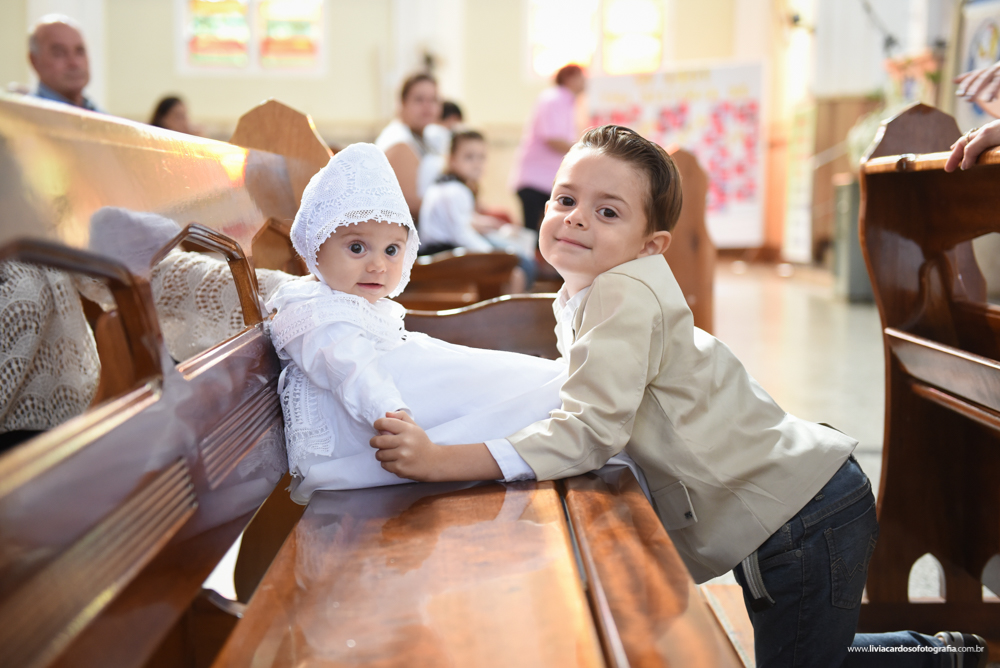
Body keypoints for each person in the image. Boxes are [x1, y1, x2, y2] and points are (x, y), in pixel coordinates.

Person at [371, 126, 989, 667]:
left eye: (608, 212)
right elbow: (586, 396)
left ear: (650, 246)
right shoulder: (589, 290)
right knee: (802, 653)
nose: (577, 217)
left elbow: (589, 431)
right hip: (789, 508)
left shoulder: (620, 294)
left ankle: (928, 655)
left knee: (797, 660)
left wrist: (446, 457)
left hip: (804, 519)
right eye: (566, 199)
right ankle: (936, 653)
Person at [265, 143, 634, 505]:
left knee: (491, 378)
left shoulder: (344, 302)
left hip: (404, 385)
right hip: (379, 417)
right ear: (314, 245)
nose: (378, 265)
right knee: (491, 393)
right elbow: (351, 370)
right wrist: (393, 416)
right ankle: (577, 400)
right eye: (357, 248)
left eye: (392, 250)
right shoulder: (312, 309)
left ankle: (571, 393)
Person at [419, 130, 537, 286]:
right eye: (469, 157)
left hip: (447, 252)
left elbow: (461, 221)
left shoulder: (446, 186)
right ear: (451, 159)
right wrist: (493, 255)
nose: (477, 163)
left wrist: (490, 225)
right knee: (520, 265)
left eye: (481, 157)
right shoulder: (455, 191)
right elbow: (461, 234)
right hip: (441, 256)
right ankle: (508, 309)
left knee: (517, 257)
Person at [509, 64, 585, 233]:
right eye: (582, 77)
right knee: (535, 233)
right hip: (535, 180)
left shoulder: (567, 102)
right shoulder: (554, 98)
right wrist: (584, 151)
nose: (585, 82)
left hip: (544, 181)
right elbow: (552, 138)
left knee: (546, 233)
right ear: (569, 78)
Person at [375, 73, 444, 220]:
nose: (427, 106)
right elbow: (407, 204)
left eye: (433, 100)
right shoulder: (399, 142)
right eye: (419, 100)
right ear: (402, 103)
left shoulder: (426, 136)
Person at [28, 14, 99, 112]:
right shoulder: (19, 120)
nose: (74, 63)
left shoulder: (108, 121)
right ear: (34, 60)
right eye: (59, 53)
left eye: (80, 51)